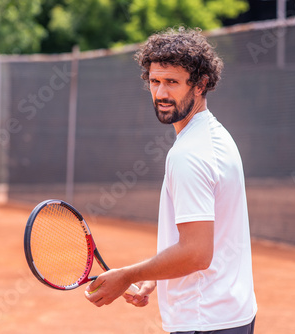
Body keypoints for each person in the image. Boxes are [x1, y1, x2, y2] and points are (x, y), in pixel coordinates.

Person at [85, 27, 257, 334]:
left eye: (172, 82)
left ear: (201, 84)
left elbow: (196, 253)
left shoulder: (188, 155)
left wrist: (127, 275)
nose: (162, 94)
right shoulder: (217, 135)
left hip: (203, 322)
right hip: (232, 315)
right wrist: (155, 277)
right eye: (155, 81)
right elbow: (208, 244)